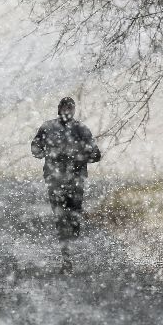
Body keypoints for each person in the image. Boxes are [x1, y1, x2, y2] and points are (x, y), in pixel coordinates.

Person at [31, 97, 101, 239]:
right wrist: (44, 153)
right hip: (54, 176)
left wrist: (81, 158)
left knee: (74, 207)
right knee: (58, 207)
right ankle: (63, 236)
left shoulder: (81, 129)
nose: (67, 110)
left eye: (70, 107)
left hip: (75, 176)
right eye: (65, 107)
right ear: (59, 109)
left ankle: (73, 235)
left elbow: (95, 153)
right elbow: (35, 146)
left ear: (74, 110)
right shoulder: (48, 127)